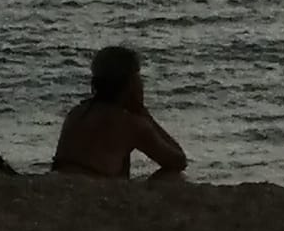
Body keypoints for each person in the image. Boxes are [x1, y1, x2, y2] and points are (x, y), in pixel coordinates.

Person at [50, 42, 186, 178]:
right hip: (95, 190)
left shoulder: (77, 113)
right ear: (130, 83)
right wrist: (144, 114)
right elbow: (178, 161)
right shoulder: (131, 124)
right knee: (173, 176)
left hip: (60, 183)